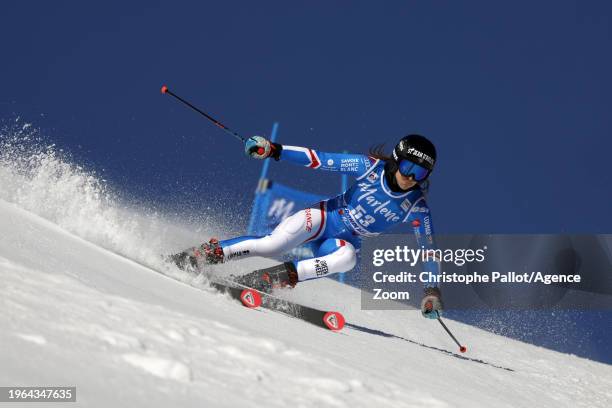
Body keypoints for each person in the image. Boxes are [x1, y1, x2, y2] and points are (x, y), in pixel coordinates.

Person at [171, 134, 443, 319]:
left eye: (420, 173)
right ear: (396, 159)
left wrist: (432, 291)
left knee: (347, 259)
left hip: (339, 241)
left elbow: (428, 250)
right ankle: (201, 255)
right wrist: (275, 150)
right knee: (271, 244)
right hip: (322, 219)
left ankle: (267, 279)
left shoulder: (416, 206)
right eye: (408, 167)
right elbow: (320, 159)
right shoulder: (369, 168)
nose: (411, 177)